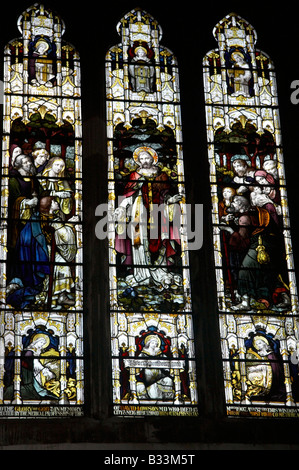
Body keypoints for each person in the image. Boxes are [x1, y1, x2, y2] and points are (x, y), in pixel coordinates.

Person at [115, 146, 182, 290]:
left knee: (161, 238)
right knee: (139, 240)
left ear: (153, 158)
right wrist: (122, 207)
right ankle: (141, 273)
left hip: (160, 211)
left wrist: (170, 200)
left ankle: (161, 273)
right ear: (138, 161)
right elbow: (129, 194)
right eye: (141, 159)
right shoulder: (135, 175)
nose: (144, 161)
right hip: (139, 209)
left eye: (147, 158)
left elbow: (166, 193)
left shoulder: (162, 175)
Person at [136, 334, 174, 401]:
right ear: (148, 343)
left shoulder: (160, 354)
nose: (154, 345)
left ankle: (168, 398)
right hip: (148, 378)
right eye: (152, 343)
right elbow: (137, 366)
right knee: (154, 395)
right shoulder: (143, 354)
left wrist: (169, 368)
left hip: (160, 376)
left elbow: (168, 364)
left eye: (156, 343)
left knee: (168, 380)